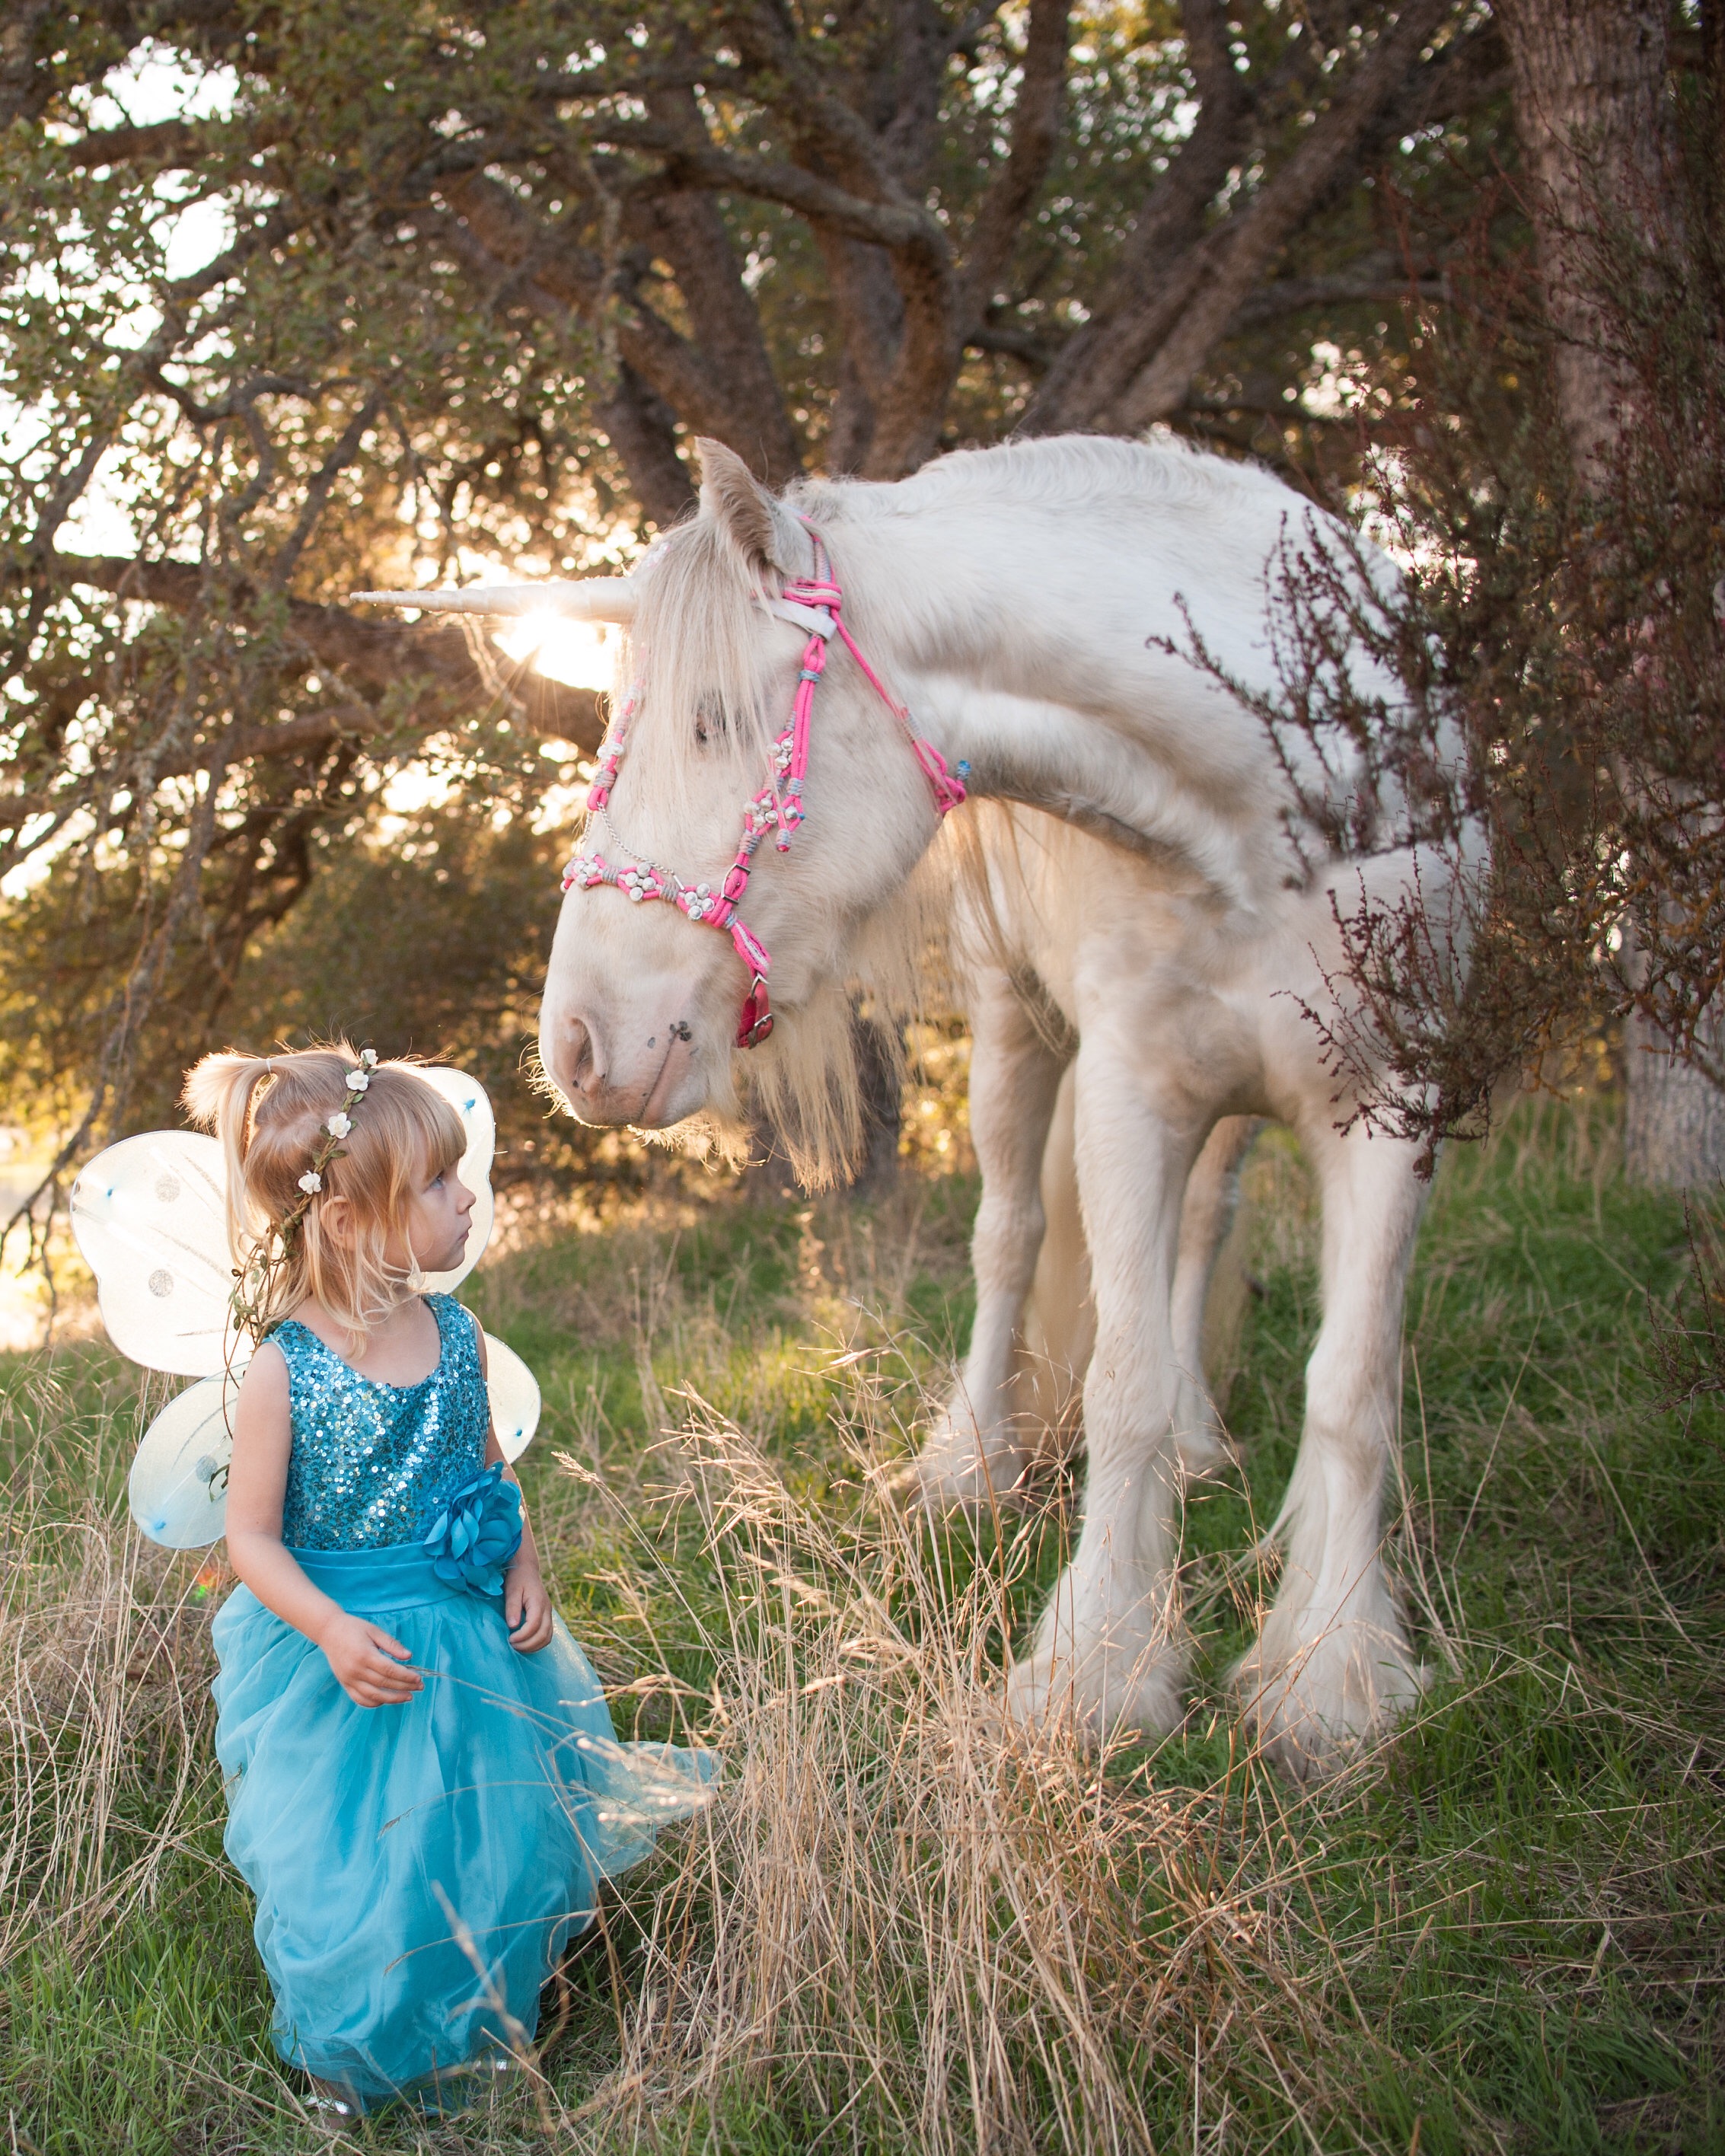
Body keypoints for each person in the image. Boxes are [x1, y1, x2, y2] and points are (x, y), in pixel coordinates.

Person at [187, 1042, 709, 2113]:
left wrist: (521, 1559)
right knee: (357, 1868)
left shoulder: (457, 1334)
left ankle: (485, 2013)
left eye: (455, 1174)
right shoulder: (287, 1367)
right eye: (436, 1182)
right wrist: (329, 1630)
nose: (466, 1198)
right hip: (347, 1650)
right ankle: (351, 2054)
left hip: (468, 1636)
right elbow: (250, 1540)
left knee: (486, 1834)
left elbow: (485, 1467)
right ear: (346, 1222)